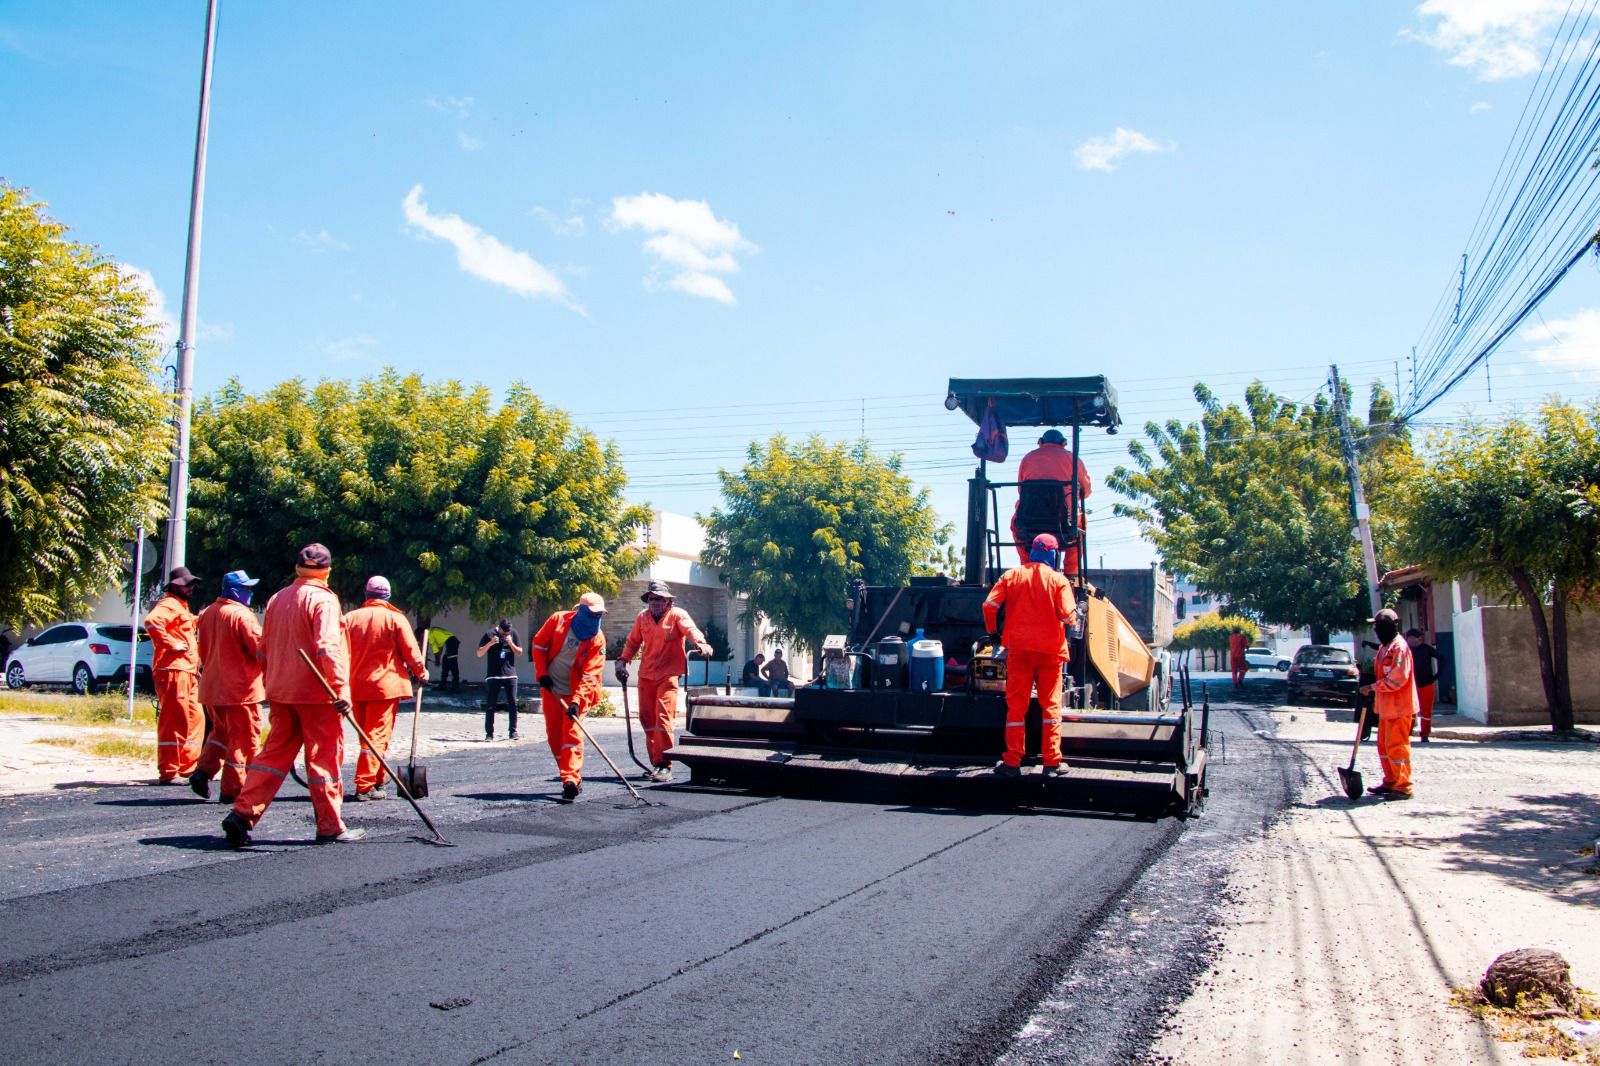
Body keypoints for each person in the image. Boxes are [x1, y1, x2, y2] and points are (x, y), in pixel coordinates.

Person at [221, 543, 364, 847]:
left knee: (272, 756)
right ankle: (329, 826)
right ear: (327, 571)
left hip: (281, 692)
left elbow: (263, 649)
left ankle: (242, 814)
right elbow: (327, 647)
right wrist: (340, 688)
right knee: (323, 758)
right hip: (317, 695)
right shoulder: (324, 600)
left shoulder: (277, 598)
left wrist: (272, 679)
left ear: (298, 568)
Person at [983, 533, 1077, 778]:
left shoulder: (1012, 576)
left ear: (1031, 551)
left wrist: (993, 633)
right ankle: (1052, 763)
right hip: (1050, 654)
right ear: (1053, 555)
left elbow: (989, 606)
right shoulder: (1059, 580)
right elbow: (1068, 616)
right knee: (1051, 706)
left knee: (1016, 707)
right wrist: (1075, 616)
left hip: (1019, 652)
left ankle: (1012, 762)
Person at [616, 580, 713, 782]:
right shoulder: (642, 618)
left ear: (668, 601)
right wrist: (622, 661)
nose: (655, 602)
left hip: (668, 674)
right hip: (646, 675)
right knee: (647, 719)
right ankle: (656, 763)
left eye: (659, 599)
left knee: (663, 718)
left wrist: (701, 644)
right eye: (652, 599)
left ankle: (664, 764)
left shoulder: (677, 615)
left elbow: (690, 630)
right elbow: (633, 642)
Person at [345, 576, 427, 801]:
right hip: (384, 687)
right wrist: (421, 673)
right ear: (388, 596)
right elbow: (411, 652)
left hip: (356, 686)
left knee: (366, 736)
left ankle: (379, 777)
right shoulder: (395, 619)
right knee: (377, 735)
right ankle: (364, 784)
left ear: (366, 595)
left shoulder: (350, 618)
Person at [190, 570, 264, 804]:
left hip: (212, 689)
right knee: (243, 740)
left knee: (220, 734)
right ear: (234, 591)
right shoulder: (241, 616)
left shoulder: (208, 613)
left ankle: (202, 772)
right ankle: (233, 790)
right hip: (239, 691)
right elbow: (260, 650)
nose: (250, 593)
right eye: (246, 589)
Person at [531, 593, 608, 801]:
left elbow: (590, 675)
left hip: (577, 693)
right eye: (592, 614)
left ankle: (571, 779)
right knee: (555, 736)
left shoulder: (597, 639)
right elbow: (539, 645)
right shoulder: (558, 620)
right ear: (579, 610)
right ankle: (567, 775)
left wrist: (576, 701)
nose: (595, 618)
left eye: (599, 615)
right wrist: (542, 674)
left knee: (572, 733)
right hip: (552, 689)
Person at [144, 566, 204, 784]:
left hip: (187, 671)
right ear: (175, 586)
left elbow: (187, 624)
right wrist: (171, 644)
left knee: (195, 718)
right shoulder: (169, 604)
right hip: (173, 670)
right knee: (174, 720)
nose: (191, 588)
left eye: (192, 584)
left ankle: (187, 767)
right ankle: (169, 771)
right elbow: (151, 622)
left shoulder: (180, 606)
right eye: (187, 584)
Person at [1010, 429, 1092, 572]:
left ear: (1041, 442)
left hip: (1030, 520)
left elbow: (1021, 491)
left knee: (1015, 524)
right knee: (1082, 522)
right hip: (1064, 522)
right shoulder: (1073, 459)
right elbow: (1086, 491)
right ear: (1063, 443)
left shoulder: (1028, 458)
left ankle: (1026, 567)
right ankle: (1071, 572)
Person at [1359, 608, 1417, 800]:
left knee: (1397, 747)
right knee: (1384, 747)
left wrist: (1373, 687)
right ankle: (1391, 781)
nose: (1377, 629)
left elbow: (1398, 678)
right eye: (1376, 626)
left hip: (1400, 707)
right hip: (1386, 707)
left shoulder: (1399, 647)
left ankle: (1404, 786)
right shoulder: (1385, 647)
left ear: (1393, 626)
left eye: (1380, 626)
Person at [477, 619, 523, 740]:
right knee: (491, 705)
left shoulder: (513, 633)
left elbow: (519, 652)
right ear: (499, 628)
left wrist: (511, 643)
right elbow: (479, 653)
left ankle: (513, 732)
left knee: (513, 703)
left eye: (508, 633)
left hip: (510, 675)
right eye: (504, 633)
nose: (505, 635)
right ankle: (489, 734)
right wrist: (490, 643)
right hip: (494, 675)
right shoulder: (489, 634)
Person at [1406, 628, 1443, 743]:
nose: (1408, 641)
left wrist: (1437, 676)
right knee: (1410, 710)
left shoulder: (1427, 649)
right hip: (1411, 684)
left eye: (1410, 639)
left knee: (1426, 711)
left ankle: (1425, 734)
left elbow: (1443, 659)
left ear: (1416, 638)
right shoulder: (1405, 650)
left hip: (1427, 684)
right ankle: (1407, 732)